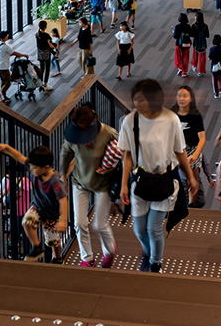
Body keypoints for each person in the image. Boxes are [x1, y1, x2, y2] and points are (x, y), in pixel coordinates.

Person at [118, 79, 198, 273]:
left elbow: (180, 151)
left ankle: (155, 263)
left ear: (153, 99)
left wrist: (191, 177)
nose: (137, 104)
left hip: (164, 180)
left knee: (154, 228)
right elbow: (127, 155)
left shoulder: (171, 119)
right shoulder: (130, 120)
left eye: (141, 100)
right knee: (139, 229)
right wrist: (124, 184)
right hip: (140, 179)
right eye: (135, 99)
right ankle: (149, 253)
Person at [60, 104, 118, 268]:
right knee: (79, 223)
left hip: (102, 184)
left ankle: (109, 252)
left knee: (99, 225)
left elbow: (125, 153)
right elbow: (66, 152)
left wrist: (111, 167)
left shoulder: (108, 133)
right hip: (80, 182)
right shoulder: (74, 133)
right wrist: (63, 176)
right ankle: (87, 258)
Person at [0, 143, 68, 264]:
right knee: (26, 222)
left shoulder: (54, 181)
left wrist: (63, 220)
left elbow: (63, 199)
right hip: (37, 207)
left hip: (51, 214)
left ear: (46, 167)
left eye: (34, 168)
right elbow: (19, 157)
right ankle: (37, 247)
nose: (31, 170)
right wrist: (7, 148)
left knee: (52, 241)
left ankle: (58, 257)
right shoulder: (36, 169)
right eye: (31, 167)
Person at [171, 86, 206, 201]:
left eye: (185, 96)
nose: (181, 98)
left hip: (192, 150)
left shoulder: (195, 115)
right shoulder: (172, 114)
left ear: (191, 99)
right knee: (174, 179)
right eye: (179, 96)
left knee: (193, 182)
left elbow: (202, 138)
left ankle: (192, 205)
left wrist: (194, 156)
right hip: (175, 150)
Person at [0, 31, 28, 103]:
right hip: (3, 67)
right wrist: (24, 55)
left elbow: (5, 53)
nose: (8, 36)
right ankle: (1, 97)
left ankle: (3, 96)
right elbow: (14, 52)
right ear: (5, 37)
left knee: (3, 82)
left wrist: (15, 55)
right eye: (7, 35)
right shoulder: (6, 47)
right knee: (8, 82)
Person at [35, 20, 55, 91]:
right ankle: (45, 84)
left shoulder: (37, 34)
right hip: (46, 54)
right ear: (45, 27)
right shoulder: (46, 35)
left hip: (40, 54)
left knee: (41, 69)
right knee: (47, 69)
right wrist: (55, 47)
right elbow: (50, 45)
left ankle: (40, 83)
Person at [208, 34, 221, 100]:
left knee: (214, 80)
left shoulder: (212, 49)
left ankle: (216, 93)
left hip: (214, 67)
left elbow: (209, 58)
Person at [173, 12, 192, 78]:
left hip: (178, 44)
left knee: (178, 57)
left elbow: (175, 36)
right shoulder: (188, 26)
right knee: (186, 57)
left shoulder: (177, 27)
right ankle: (184, 72)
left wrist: (174, 32)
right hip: (186, 44)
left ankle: (180, 67)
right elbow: (191, 34)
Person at [191, 11, 209, 77]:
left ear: (197, 18)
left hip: (196, 43)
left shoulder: (194, 26)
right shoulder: (205, 26)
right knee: (202, 58)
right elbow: (207, 35)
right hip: (203, 44)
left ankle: (194, 66)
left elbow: (192, 35)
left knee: (195, 55)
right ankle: (200, 71)